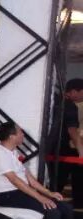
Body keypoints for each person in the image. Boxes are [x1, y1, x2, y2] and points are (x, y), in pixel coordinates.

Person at [0, 120, 74, 219]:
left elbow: (29, 178)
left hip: (19, 192)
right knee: (52, 211)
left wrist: (48, 193)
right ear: (11, 136)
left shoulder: (12, 152)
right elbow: (15, 180)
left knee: (66, 208)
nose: (23, 134)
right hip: (8, 195)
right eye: (20, 132)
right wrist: (40, 198)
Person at [51, 78, 83, 211]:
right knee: (74, 167)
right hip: (61, 148)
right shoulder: (69, 106)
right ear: (74, 92)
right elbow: (72, 130)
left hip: (50, 147)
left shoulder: (53, 100)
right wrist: (81, 152)